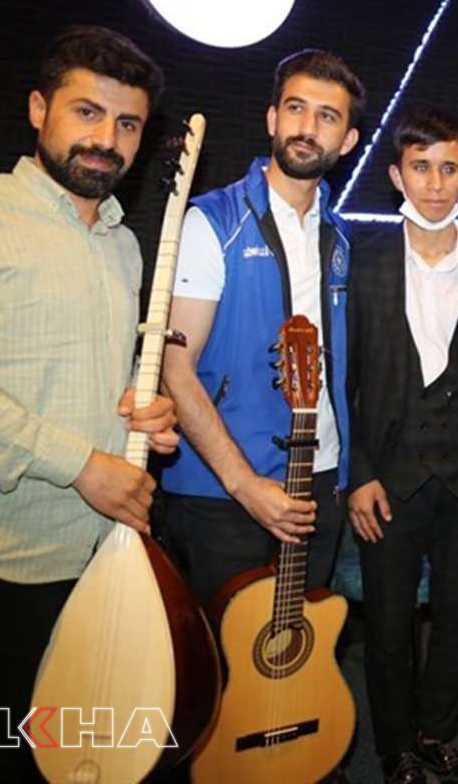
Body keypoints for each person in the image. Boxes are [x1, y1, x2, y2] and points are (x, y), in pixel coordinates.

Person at [0, 25, 178, 778]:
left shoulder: (124, 243)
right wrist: (82, 464)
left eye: (128, 124)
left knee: (89, 754)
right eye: (87, 113)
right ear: (39, 109)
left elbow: (100, 378)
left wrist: (145, 413)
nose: (107, 139)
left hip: (106, 558)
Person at [346, 110, 458, 784]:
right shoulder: (362, 266)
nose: (434, 182)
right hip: (388, 481)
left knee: (456, 618)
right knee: (389, 624)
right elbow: (343, 382)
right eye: (420, 167)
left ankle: (436, 735)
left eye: (448, 168)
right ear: (397, 175)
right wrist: (359, 473)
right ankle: (395, 747)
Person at [160, 49, 363, 609]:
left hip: (319, 478)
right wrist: (244, 484)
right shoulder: (212, 221)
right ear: (273, 118)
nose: (307, 126)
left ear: (348, 140)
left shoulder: (341, 237)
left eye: (327, 116)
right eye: (296, 108)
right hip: (221, 489)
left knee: (302, 641)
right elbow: (175, 369)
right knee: (222, 653)